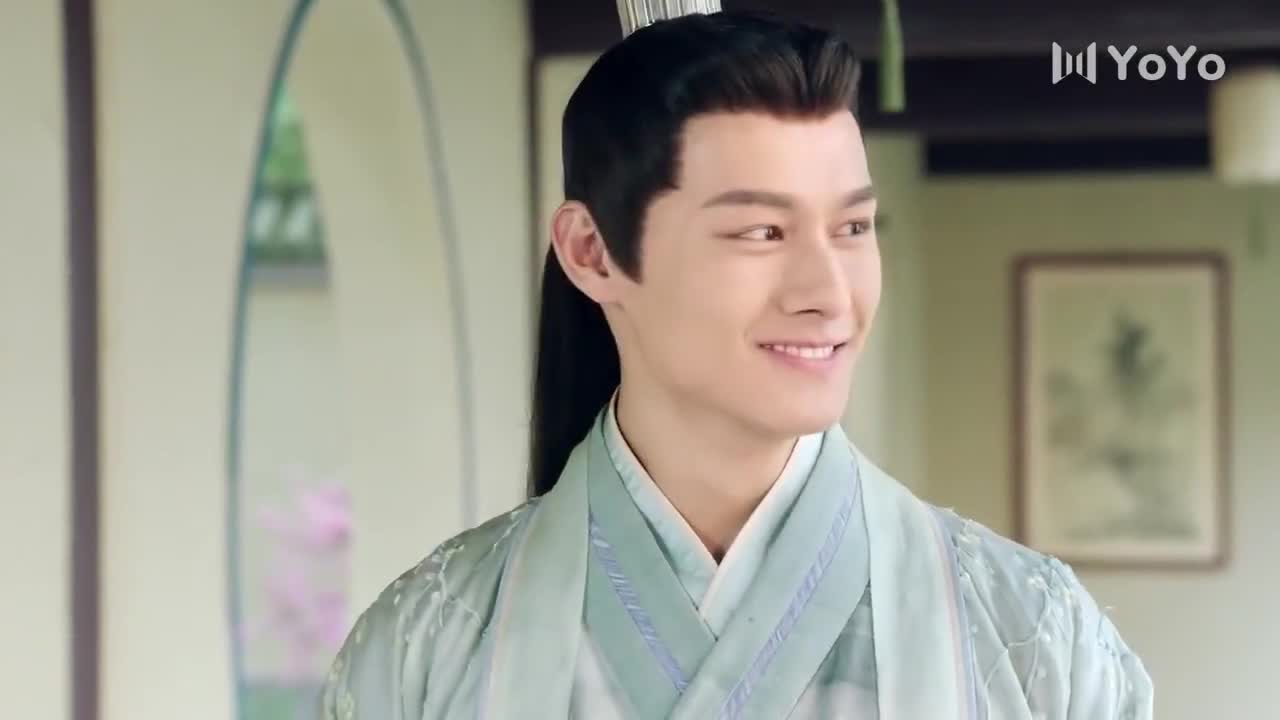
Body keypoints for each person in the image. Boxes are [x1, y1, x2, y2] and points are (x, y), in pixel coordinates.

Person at [321, 9, 1153, 719]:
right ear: (592, 252)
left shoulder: (1031, 636)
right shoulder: (428, 647)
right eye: (762, 232)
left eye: (853, 229)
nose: (828, 294)